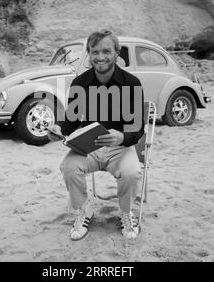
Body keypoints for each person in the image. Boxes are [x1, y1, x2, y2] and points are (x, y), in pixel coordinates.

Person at [48, 30, 144, 240]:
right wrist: (58, 130)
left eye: (106, 51)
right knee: (69, 167)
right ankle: (84, 211)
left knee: (132, 172)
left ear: (117, 53)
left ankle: (126, 213)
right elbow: (70, 122)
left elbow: (138, 128)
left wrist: (122, 137)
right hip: (89, 147)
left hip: (120, 148)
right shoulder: (80, 83)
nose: (100, 57)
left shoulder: (132, 83)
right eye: (95, 52)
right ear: (89, 54)